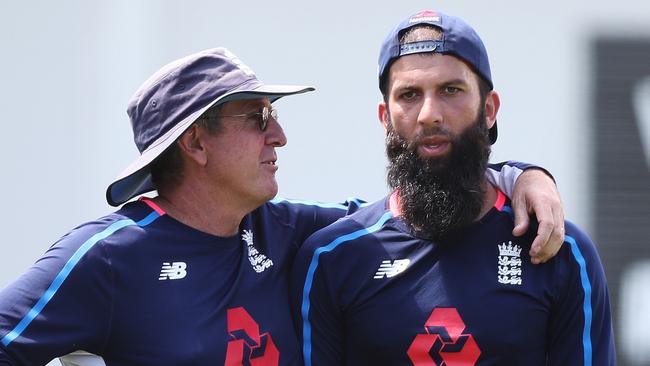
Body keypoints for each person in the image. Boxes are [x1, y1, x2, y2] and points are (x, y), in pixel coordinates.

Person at [0, 47, 562, 366]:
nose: (280, 136)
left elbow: (412, 209)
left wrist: (515, 174)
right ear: (194, 143)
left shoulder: (293, 230)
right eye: (257, 118)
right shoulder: (105, 256)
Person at [290, 10, 615, 366]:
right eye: (410, 95)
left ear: (488, 110)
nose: (429, 114)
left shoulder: (560, 250)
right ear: (386, 119)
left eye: (450, 90)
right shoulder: (331, 258)